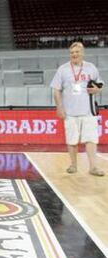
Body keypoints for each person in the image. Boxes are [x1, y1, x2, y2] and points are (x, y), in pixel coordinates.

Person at [51, 42, 105, 176]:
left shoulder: (91, 67)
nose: (74, 54)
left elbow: (100, 83)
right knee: (71, 139)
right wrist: (59, 107)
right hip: (70, 112)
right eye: (72, 52)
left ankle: (93, 167)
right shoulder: (63, 69)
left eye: (77, 52)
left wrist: (98, 89)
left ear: (82, 53)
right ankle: (73, 165)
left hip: (88, 110)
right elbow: (56, 90)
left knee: (91, 139)